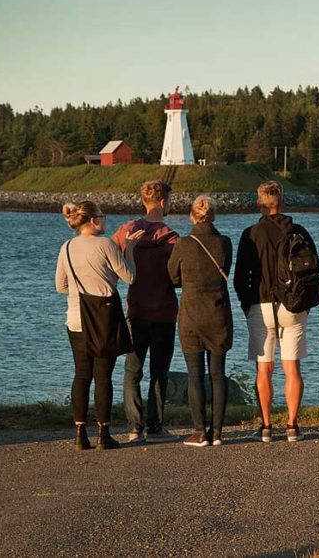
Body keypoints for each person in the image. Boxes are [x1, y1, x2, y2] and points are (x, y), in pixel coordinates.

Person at [233, 181, 319, 442]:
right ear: (282, 202)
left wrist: (247, 304)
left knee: (264, 369)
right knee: (292, 368)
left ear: (259, 202)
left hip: (261, 305)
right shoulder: (298, 231)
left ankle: (267, 426)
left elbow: (239, 278)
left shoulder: (251, 234)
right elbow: (313, 271)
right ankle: (293, 425)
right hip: (292, 305)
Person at [55, 200, 143, 450]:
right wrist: (130, 249)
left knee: (82, 375)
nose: (105, 220)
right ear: (93, 220)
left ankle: (80, 433)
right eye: (103, 216)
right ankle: (104, 433)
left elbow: (60, 286)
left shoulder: (67, 247)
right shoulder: (105, 244)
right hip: (104, 319)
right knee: (103, 377)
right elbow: (130, 277)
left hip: (76, 319)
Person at [112, 180, 180, 443]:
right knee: (159, 372)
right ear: (163, 203)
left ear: (144, 201)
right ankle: (155, 426)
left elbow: (109, 261)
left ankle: (133, 426)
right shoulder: (171, 237)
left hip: (136, 310)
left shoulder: (126, 231)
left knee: (132, 370)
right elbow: (178, 277)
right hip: (164, 312)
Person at [168, 196, 234, 447]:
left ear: (192, 216)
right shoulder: (225, 243)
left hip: (191, 315)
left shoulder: (183, 244)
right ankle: (217, 432)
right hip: (218, 314)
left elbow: (173, 277)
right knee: (218, 374)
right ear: (213, 216)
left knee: (195, 375)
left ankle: (200, 431)